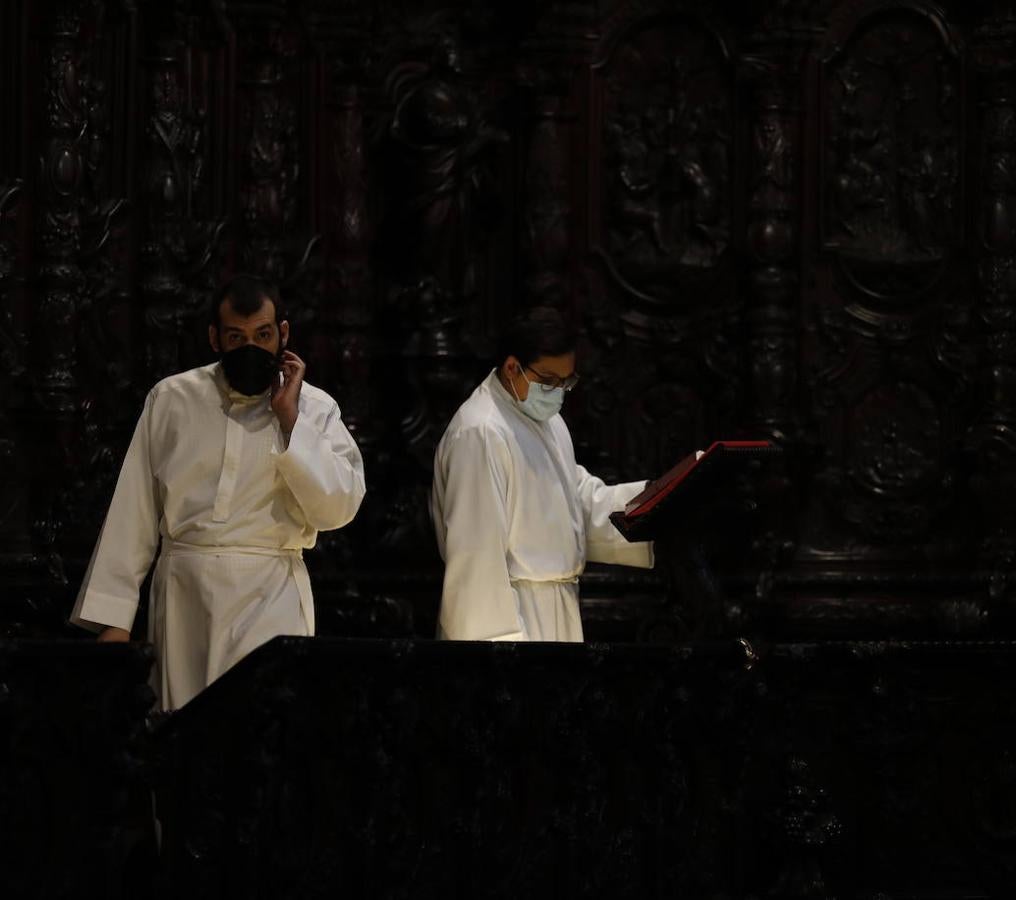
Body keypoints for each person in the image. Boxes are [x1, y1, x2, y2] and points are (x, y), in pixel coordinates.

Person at [70, 275, 366, 708]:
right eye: (236, 337)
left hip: (273, 597)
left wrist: (291, 422)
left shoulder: (316, 408)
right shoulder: (171, 399)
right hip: (185, 600)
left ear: (283, 334)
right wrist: (114, 619)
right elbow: (133, 511)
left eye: (263, 335)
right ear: (215, 339)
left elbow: (338, 508)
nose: (252, 347)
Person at [430, 307, 654, 641]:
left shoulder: (546, 420)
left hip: (557, 610)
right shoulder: (481, 432)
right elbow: (476, 559)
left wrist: (654, 504)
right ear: (511, 367)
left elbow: (573, 502)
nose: (558, 393)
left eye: (567, 382)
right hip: (511, 618)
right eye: (549, 381)